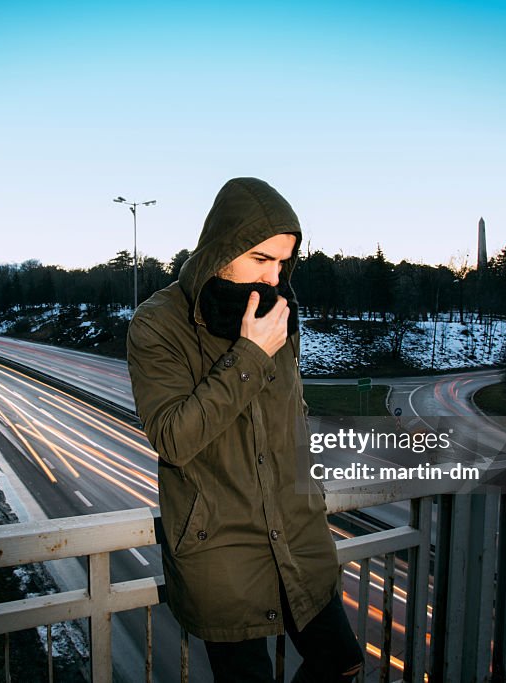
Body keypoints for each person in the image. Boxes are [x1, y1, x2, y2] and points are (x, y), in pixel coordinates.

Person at [127, 177, 364, 682]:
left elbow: (291, 422)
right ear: (221, 250)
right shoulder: (157, 324)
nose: (276, 278)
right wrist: (251, 355)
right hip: (222, 551)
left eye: (284, 262)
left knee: (343, 664)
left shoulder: (277, 312)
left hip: (299, 536)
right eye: (261, 259)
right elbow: (173, 437)